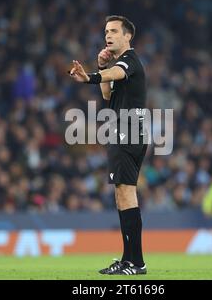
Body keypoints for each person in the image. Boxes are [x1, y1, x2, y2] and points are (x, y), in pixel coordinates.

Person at [69, 15, 147, 275]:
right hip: (119, 131)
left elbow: (116, 73)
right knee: (121, 195)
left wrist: (92, 75)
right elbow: (108, 96)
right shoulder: (118, 63)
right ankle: (129, 259)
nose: (108, 36)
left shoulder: (129, 60)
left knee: (126, 193)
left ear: (128, 36)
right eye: (106, 32)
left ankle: (136, 262)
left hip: (128, 132)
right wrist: (101, 68)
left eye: (114, 31)